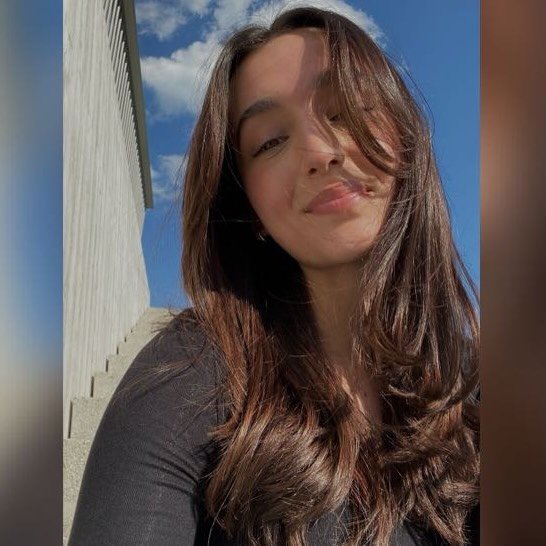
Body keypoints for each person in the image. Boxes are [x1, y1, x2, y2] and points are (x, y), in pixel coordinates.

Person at [69, 6, 479, 546]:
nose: (320, 152)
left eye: (344, 110)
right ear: (250, 209)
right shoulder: (188, 376)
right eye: (269, 142)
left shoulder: (474, 388)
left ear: (405, 137)